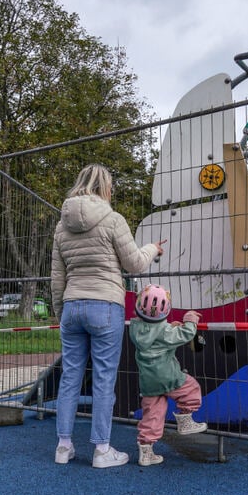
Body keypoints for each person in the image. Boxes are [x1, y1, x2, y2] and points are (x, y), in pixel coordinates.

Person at [51, 164, 165, 469]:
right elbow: (135, 264)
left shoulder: (61, 226)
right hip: (105, 305)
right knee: (103, 378)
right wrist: (153, 248)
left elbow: (57, 277)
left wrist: (61, 312)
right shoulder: (113, 220)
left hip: (72, 305)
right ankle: (102, 450)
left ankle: (63, 447)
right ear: (105, 187)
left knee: (70, 377)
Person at [129, 284, 208, 467]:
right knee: (191, 388)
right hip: (168, 376)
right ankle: (185, 419)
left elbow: (157, 335)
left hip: (148, 382)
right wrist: (190, 320)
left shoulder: (135, 328)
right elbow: (185, 334)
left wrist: (169, 327)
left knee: (153, 415)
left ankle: (146, 451)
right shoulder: (165, 332)